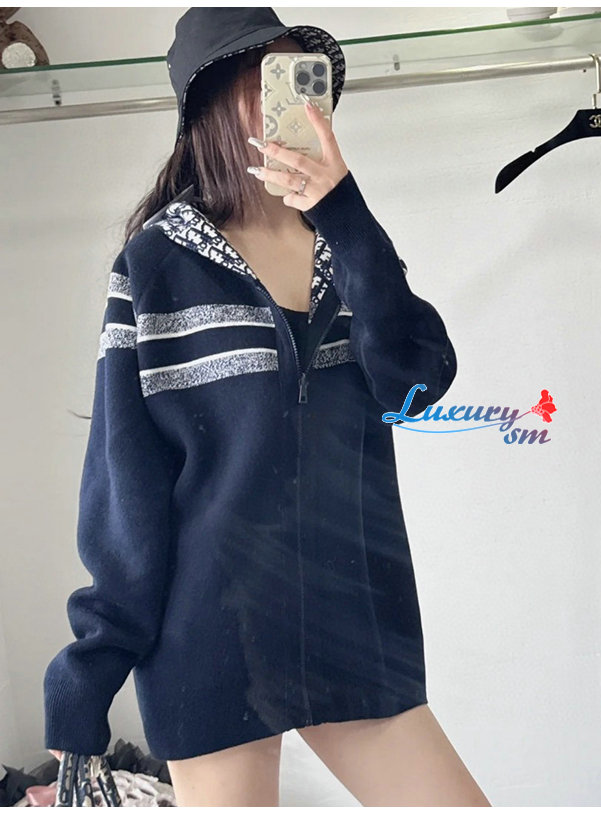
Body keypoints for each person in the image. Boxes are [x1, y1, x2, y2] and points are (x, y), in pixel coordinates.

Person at [43, 7, 489, 807]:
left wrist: (346, 211)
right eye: (264, 79)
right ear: (212, 105)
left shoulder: (348, 244)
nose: (292, 99)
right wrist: (87, 672)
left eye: (298, 76)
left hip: (355, 622)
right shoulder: (155, 266)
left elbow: (418, 384)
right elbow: (126, 483)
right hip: (211, 639)